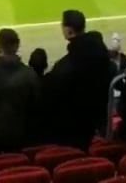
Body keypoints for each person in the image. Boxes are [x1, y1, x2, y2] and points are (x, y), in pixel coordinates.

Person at [44, 10, 113, 150]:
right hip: (98, 121)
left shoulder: (65, 67)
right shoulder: (103, 55)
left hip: (75, 129)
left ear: (69, 31)